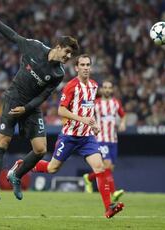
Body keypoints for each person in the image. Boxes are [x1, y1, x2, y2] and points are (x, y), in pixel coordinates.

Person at [0, 2, 79, 202]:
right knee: (3, 141)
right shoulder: (34, 47)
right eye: (67, 52)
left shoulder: (58, 74)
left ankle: (15, 174)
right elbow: (12, 35)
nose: (69, 57)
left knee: (41, 149)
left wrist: (26, 108)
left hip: (31, 108)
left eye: (71, 54)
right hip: (13, 98)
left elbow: (43, 97)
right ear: (58, 47)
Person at [31, 55, 124, 218]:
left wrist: (93, 125)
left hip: (87, 137)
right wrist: (83, 120)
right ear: (76, 68)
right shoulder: (71, 86)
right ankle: (24, 165)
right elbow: (61, 111)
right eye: (82, 65)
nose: (86, 67)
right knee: (52, 168)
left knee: (100, 168)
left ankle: (109, 207)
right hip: (69, 136)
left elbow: (88, 109)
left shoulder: (94, 86)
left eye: (88, 64)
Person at [83, 80, 126, 202]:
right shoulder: (95, 103)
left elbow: (123, 114)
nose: (107, 90)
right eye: (105, 87)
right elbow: (88, 117)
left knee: (109, 168)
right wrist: (93, 126)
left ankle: (88, 178)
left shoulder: (116, 103)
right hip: (101, 139)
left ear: (112, 90)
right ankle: (114, 192)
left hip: (113, 140)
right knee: (106, 165)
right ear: (101, 90)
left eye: (109, 88)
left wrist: (123, 123)